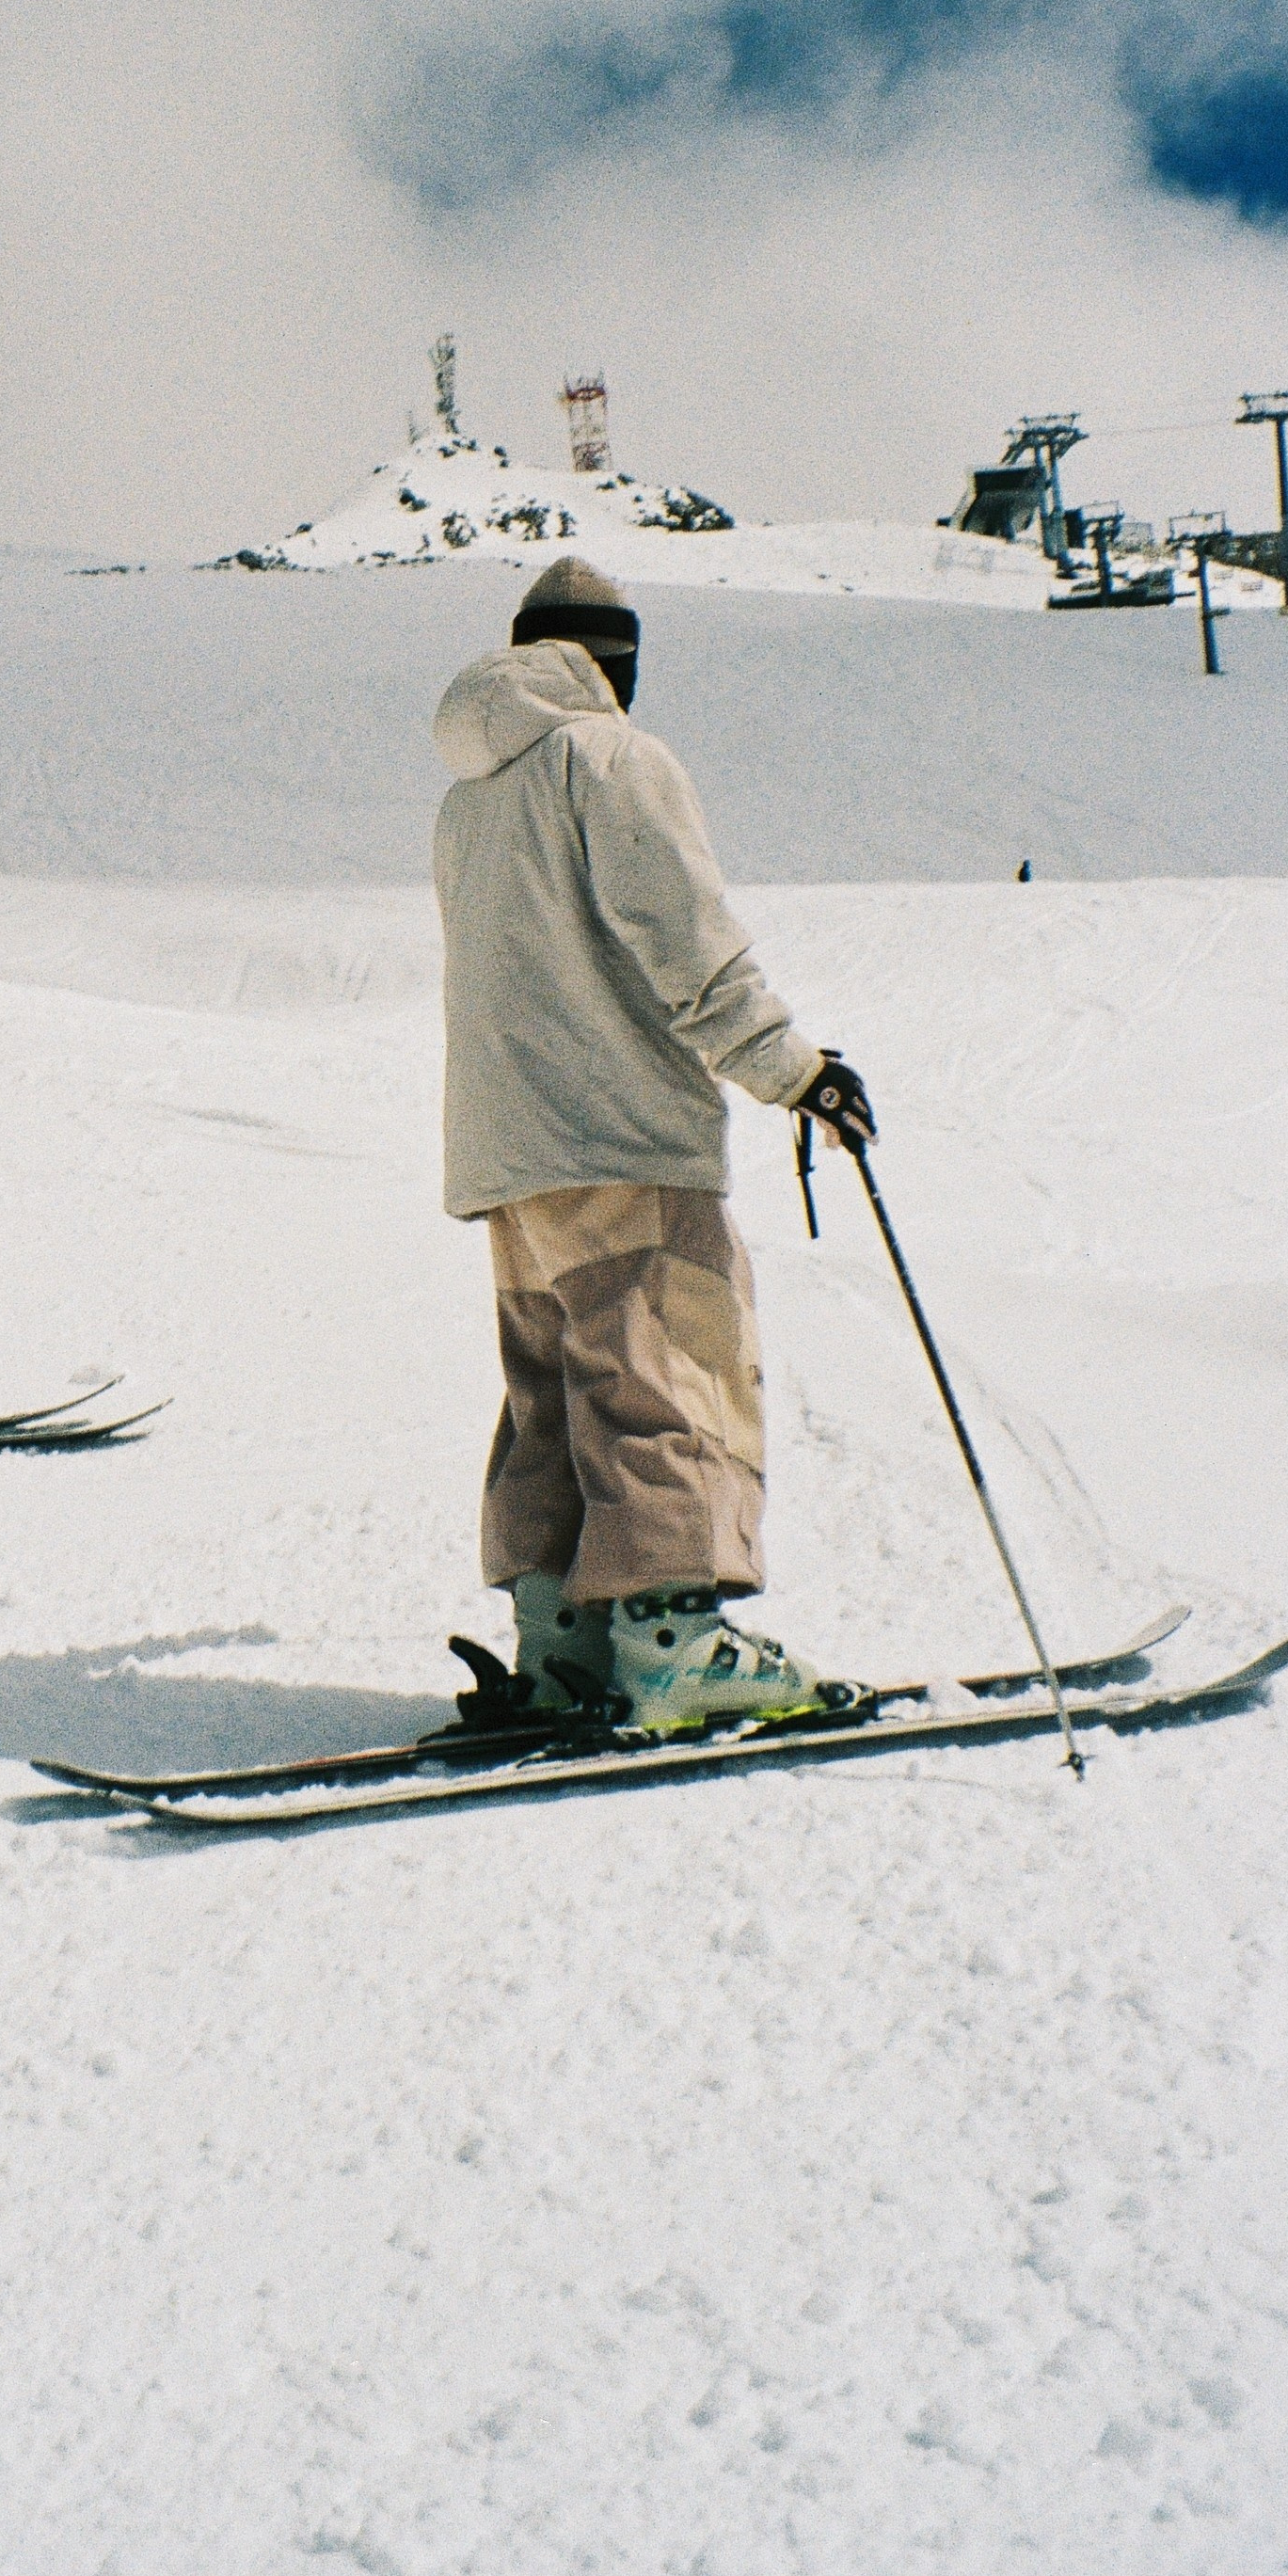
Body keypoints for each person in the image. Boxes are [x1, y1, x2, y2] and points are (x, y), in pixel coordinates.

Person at [431, 556, 875, 1733]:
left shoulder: (472, 789)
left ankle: (562, 1644)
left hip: (510, 1156)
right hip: (620, 1134)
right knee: (670, 1379)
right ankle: (674, 1643)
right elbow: (690, 948)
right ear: (612, 659)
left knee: (556, 1398)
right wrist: (800, 1073)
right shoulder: (614, 760)